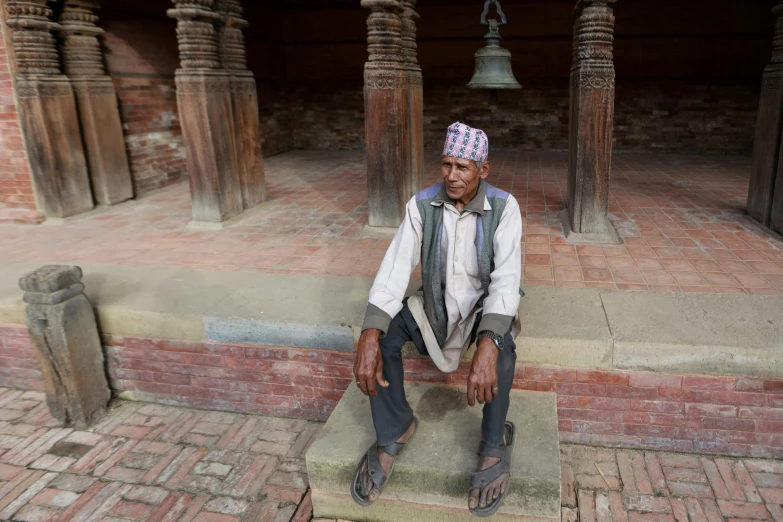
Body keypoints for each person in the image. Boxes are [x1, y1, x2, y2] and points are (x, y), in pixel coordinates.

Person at [351, 122, 523, 517]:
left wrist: (488, 344)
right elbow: (394, 270)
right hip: (434, 305)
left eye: (463, 167)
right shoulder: (421, 205)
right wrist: (370, 332)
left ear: (484, 170)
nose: (451, 175)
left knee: (503, 347)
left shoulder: (505, 207)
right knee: (385, 336)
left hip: (481, 307)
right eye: (446, 164)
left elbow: (507, 280)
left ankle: (494, 444)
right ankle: (396, 427)